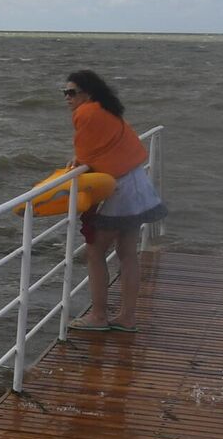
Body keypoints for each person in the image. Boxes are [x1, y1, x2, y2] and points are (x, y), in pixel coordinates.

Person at [63, 70, 167, 332]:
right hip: (137, 183)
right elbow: (102, 147)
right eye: (65, 93)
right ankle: (127, 317)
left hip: (121, 189)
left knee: (95, 251)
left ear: (87, 93)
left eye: (72, 92)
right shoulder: (108, 108)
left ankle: (98, 316)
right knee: (127, 252)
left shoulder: (86, 112)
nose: (67, 98)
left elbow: (86, 150)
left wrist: (80, 164)